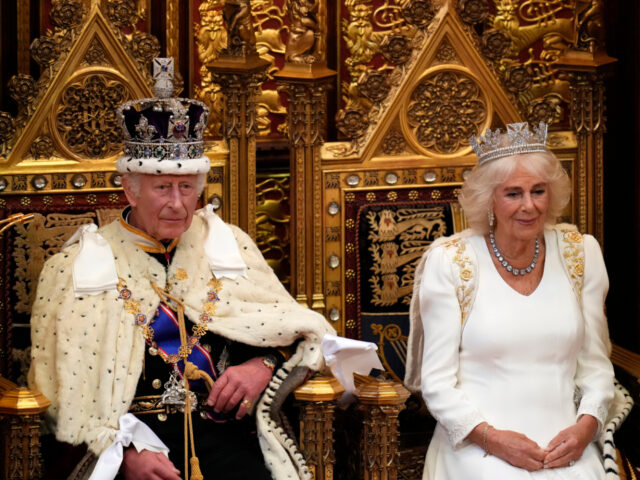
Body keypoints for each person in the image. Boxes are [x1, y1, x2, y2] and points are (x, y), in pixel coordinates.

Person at [28, 59, 334, 480]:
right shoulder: (74, 267)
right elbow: (55, 397)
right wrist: (121, 455)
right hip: (133, 453)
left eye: (187, 186)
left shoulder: (228, 245)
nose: (177, 203)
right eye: (162, 187)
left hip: (228, 443)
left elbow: (298, 331)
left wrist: (261, 366)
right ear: (129, 188)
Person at [404, 122, 616, 479]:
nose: (529, 206)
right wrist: (493, 440)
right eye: (513, 193)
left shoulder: (581, 253)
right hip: (478, 448)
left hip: (567, 448)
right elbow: (437, 383)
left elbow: (596, 366)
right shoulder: (452, 262)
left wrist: (587, 428)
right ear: (489, 199)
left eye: (538, 191)